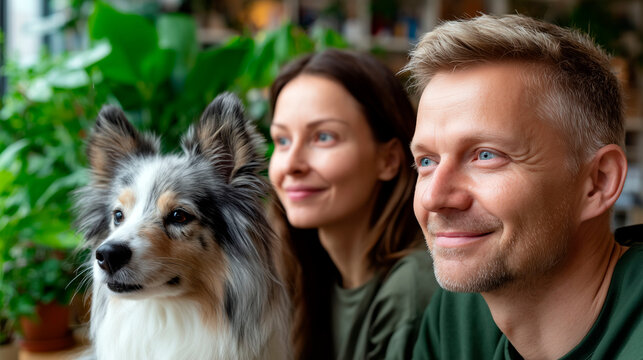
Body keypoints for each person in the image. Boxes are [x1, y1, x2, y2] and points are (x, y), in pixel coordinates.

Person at [404, 14, 643, 359]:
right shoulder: (460, 312)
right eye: (427, 162)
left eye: (486, 155)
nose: (434, 197)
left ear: (598, 182)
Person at [268, 49, 438, 360]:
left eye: (323, 137)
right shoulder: (305, 275)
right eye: (282, 140)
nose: (291, 164)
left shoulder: (410, 288)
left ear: (388, 160)